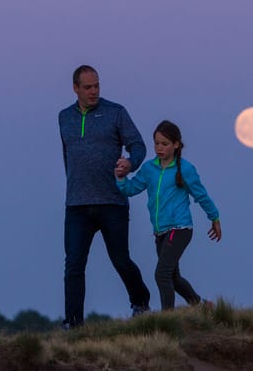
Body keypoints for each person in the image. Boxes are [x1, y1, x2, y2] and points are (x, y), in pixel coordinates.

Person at [58, 65, 152, 329]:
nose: (93, 91)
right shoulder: (64, 117)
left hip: (112, 202)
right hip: (77, 204)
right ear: (75, 88)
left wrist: (130, 163)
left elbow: (138, 145)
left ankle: (140, 302)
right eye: (88, 87)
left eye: (96, 86)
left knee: (121, 260)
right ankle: (73, 323)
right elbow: (68, 156)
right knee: (73, 265)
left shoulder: (116, 112)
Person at [115, 120, 221, 310]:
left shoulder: (185, 169)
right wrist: (121, 177)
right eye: (156, 143)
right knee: (173, 277)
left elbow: (201, 195)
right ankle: (202, 306)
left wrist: (214, 218)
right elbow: (131, 189)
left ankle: (168, 320)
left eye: (164, 143)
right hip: (160, 231)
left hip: (179, 228)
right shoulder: (149, 169)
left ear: (176, 144)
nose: (159, 148)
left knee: (162, 274)